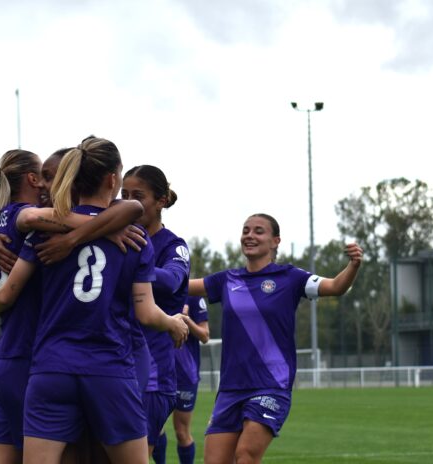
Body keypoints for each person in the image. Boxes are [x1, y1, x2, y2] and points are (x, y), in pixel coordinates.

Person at [0, 137, 189, 464]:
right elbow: (146, 312)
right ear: (113, 180)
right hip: (109, 367)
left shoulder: (43, 230)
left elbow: (6, 295)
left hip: (50, 368)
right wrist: (172, 322)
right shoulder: (134, 237)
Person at [188, 213, 363, 464]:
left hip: (270, 385)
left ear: (275, 241)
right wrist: (141, 271)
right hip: (230, 388)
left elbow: (336, 286)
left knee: (246, 455)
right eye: (246, 230)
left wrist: (353, 265)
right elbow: (178, 285)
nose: (250, 235)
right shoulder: (227, 280)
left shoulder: (290, 278)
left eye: (259, 231)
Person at [121, 165, 191, 459]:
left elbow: (173, 280)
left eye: (138, 195)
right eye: (124, 195)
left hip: (153, 373)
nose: (130, 202)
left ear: (161, 200)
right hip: (112, 364)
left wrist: (135, 266)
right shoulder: (115, 236)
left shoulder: (173, 246)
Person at [153, 295, 210, 464]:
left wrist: (186, 320)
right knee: (155, 428)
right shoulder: (154, 291)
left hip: (185, 375)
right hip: (159, 371)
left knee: (182, 431)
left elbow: (205, 335)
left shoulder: (194, 298)